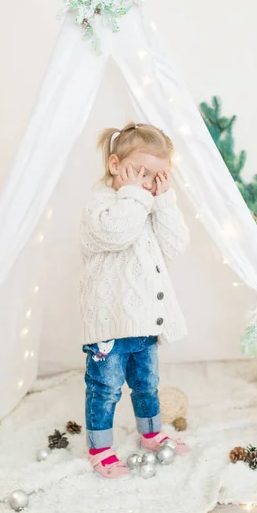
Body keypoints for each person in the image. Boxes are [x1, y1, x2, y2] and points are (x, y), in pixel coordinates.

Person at [79, 122, 190, 479]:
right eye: (141, 172)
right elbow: (117, 233)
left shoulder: (144, 203)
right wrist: (136, 196)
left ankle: (151, 432)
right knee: (106, 387)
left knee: (146, 383)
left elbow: (174, 245)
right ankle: (100, 448)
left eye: (157, 176)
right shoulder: (103, 204)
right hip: (110, 325)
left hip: (145, 321)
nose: (148, 183)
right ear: (115, 165)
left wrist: (165, 201)